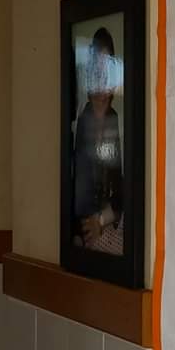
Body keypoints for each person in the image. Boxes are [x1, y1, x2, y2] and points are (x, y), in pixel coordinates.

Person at [72, 27, 124, 253]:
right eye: (96, 69)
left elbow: (125, 188)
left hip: (110, 230)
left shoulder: (117, 119)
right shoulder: (79, 122)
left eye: (107, 70)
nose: (101, 78)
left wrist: (101, 220)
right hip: (79, 235)